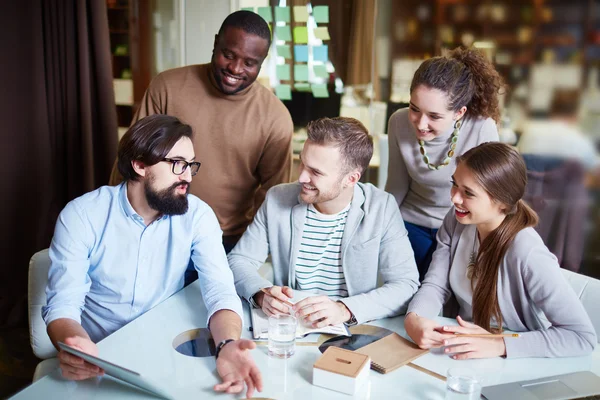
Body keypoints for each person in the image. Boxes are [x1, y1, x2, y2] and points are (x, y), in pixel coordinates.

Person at [43, 115, 262, 398]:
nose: (187, 176)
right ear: (140, 165)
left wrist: (227, 344)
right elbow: (62, 305)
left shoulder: (198, 216)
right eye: (177, 165)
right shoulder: (82, 215)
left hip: (165, 351)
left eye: (190, 165)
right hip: (100, 355)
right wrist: (74, 346)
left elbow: (220, 290)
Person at [109, 10, 293, 254]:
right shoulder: (167, 87)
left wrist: (248, 255)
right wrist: (117, 220)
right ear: (216, 42)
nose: (236, 68)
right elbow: (131, 159)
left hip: (225, 242)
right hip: (154, 228)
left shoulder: (275, 118)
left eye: (249, 63)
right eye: (228, 55)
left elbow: (273, 196)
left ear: (263, 60)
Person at [404, 142, 597, 359]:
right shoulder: (457, 220)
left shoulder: (528, 252)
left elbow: (582, 337)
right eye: (454, 184)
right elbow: (436, 285)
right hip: (463, 351)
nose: (454, 198)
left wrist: (499, 345)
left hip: (515, 360)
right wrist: (415, 318)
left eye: (468, 193)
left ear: (502, 203)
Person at [228, 117, 419, 327]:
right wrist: (260, 293)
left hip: (350, 329)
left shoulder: (381, 208)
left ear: (351, 179)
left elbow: (406, 285)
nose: (301, 177)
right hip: (290, 327)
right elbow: (238, 261)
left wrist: (344, 309)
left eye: (316, 172)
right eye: (303, 163)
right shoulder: (277, 199)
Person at [386, 47, 502, 280]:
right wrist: (380, 228)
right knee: (408, 291)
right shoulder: (398, 122)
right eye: (414, 109)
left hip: (462, 226)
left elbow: (490, 197)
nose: (420, 123)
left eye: (434, 116)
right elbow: (396, 186)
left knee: (450, 294)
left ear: (459, 113)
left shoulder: (482, 128)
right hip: (411, 223)